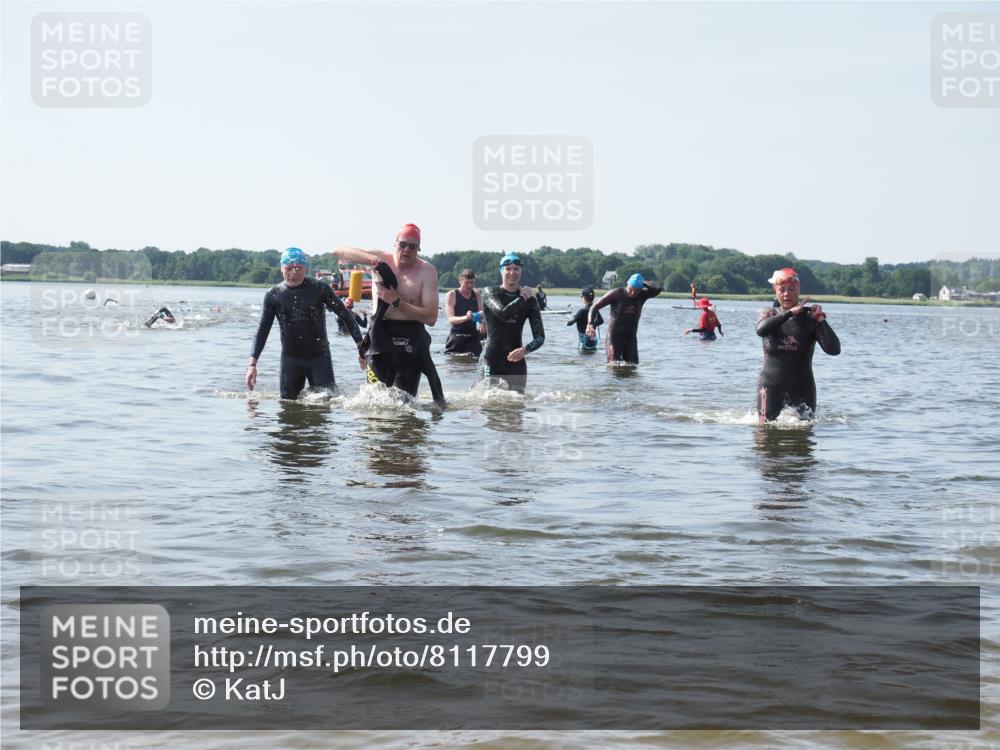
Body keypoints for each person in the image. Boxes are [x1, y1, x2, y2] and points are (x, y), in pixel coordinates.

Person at [332, 224, 444, 402]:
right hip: (379, 335)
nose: (406, 250)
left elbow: (431, 318)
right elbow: (338, 251)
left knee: (406, 404)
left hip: (411, 339)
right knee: (374, 401)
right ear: (395, 244)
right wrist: (371, 260)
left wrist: (397, 302)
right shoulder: (381, 259)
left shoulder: (426, 271)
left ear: (418, 248)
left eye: (412, 246)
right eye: (402, 244)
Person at [246, 248, 364, 400]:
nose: (293, 273)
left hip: (319, 358)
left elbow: (345, 315)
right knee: (288, 408)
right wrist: (252, 365)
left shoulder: (319, 289)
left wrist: (360, 346)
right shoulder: (273, 295)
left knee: (327, 404)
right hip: (291, 360)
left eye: (298, 269)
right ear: (282, 268)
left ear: (305, 268)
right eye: (288, 269)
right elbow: (263, 330)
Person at [755, 267, 841, 422]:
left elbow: (833, 350)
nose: (786, 294)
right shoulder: (769, 314)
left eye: (791, 289)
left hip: (803, 387)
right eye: (782, 290)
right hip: (770, 387)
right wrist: (789, 313)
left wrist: (821, 319)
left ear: (798, 289)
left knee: (804, 438)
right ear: (775, 290)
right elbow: (761, 330)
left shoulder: (811, 318)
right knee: (765, 436)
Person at [481, 253, 545, 392]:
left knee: (517, 405)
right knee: (489, 404)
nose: (512, 272)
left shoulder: (531, 301)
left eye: (516, 269)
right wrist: (523, 297)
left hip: (517, 360)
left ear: (521, 272)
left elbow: (540, 337)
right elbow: (503, 314)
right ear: (501, 271)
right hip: (492, 358)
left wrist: (525, 350)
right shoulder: (490, 292)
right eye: (508, 268)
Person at [587, 273, 662, 364]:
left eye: (636, 291)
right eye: (631, 289)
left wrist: (643, 283)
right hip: (614, 338)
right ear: (627, 284)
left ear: (641, 289)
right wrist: (590, 323)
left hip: (630, 339)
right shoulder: (616, 293)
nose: (633, 293)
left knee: (633, 366)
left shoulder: (642, 295)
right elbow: (594, 306)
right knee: (613, 366)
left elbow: (658, 289)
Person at [444, 269, 486, 356]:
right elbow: (451, 319)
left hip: (472, 335)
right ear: (460, 281)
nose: (470, 285)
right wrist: (466, 317)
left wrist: (483, 322)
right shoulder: (451, 295)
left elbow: (482, 314)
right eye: (467, 282)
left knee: (476, 364)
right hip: (457, 335)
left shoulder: (477, 294)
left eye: (472, 282)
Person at [567, 287, 604, 352]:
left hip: (583, 338)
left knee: (583, 355)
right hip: (593, 337)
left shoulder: (582, 311)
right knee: (591, 353)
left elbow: (570, 323)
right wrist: (593, 325)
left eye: (582, 297)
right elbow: (601, 321)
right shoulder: (595, 310)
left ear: (584, 298)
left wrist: (569, 320)